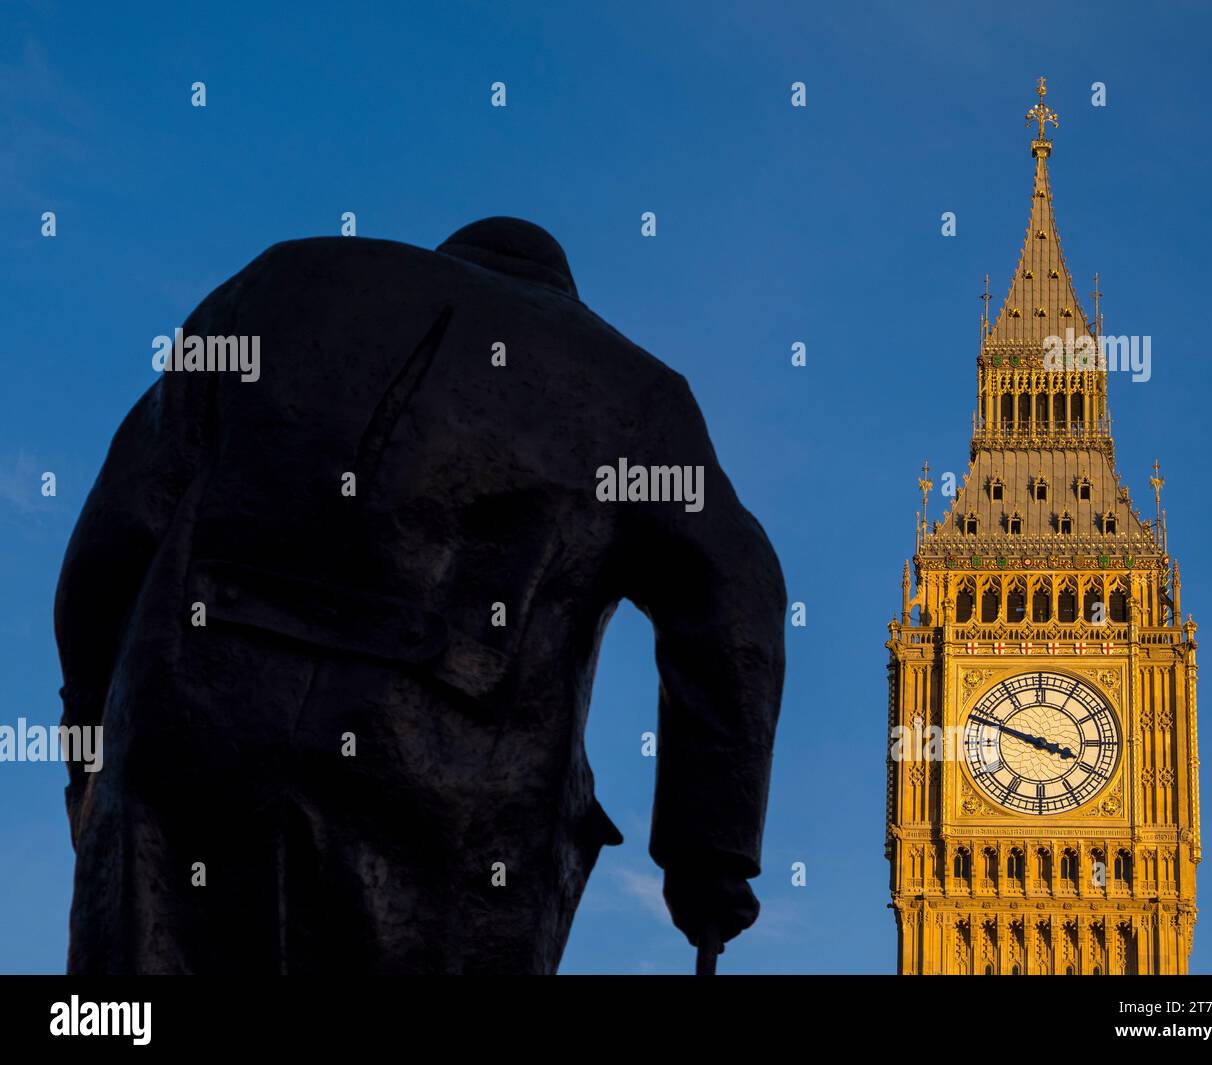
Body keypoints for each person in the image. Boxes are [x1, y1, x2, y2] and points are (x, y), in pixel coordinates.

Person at [55, 217, 787, 974]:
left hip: (190, 746)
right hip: (447, 797)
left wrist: (88, 746)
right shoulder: (637, 396)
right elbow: (737, 600)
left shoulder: (279, 282)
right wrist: (708, 852)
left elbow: (112, 538)